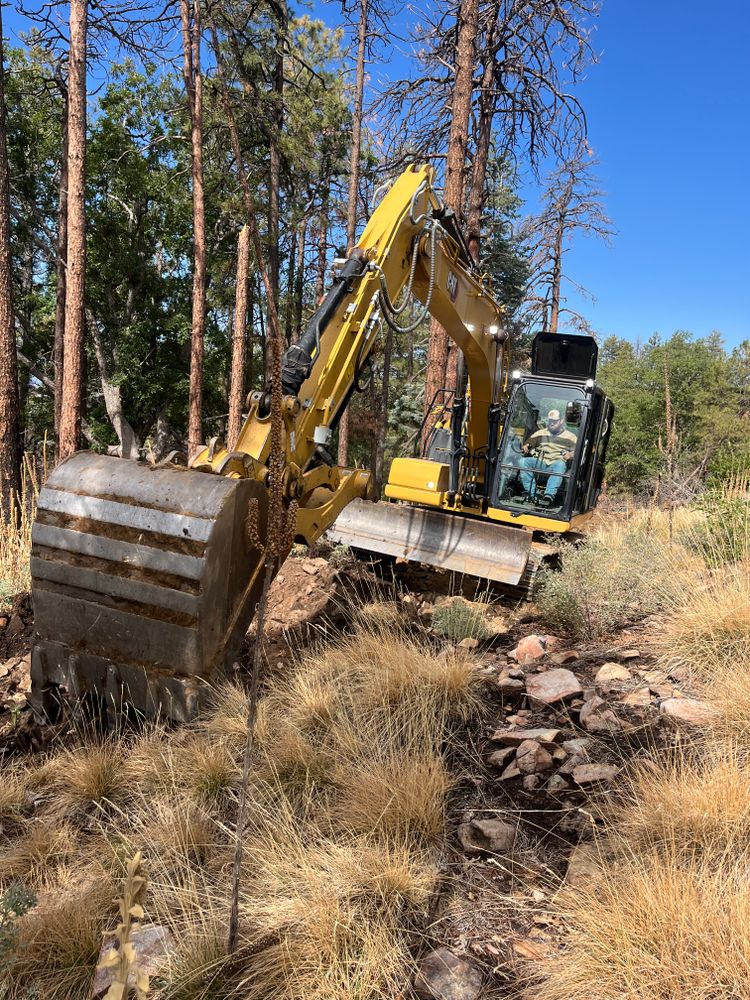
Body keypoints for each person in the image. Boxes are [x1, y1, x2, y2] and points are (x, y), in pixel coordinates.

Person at [517, 408, 577, 506]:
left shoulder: (571, 437)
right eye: (550, 421)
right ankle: (533, 494)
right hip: (541, 462)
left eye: (554, 421)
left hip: (556, 464)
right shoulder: (541, 433)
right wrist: (526, 445)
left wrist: (570, 455)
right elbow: (530, 441)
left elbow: (578, 451)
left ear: (561, 421)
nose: (552, 423)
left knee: (560, 464)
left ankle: (548, 495)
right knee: (523, 462)